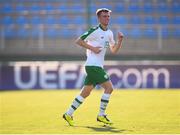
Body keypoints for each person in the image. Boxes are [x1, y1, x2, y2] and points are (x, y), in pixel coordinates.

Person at [63, 8, 124, 126]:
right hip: (93, 66)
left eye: (108, 16)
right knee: (109, 88)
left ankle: (68, 114)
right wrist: (92, 48)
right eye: (104, 16)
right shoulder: (94, 30)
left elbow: (113, 50)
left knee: (85, 93)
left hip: (96, 66)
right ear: (99, 18)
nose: (107, 18)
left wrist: (120, 41)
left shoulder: (110, 33)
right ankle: (101, 115)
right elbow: (78, 41)